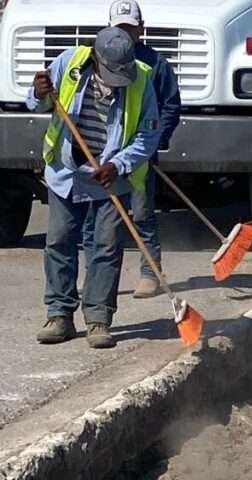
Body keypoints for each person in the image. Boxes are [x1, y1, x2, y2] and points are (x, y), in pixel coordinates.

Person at [29, 27, 160, 348]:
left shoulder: (141, 79)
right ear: (96, 59)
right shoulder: (69, 62)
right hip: (66, 171)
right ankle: (59, 314)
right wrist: (38, 92)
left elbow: (148, 135)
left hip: (111, 175)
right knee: (59, 241)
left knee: (106, 247)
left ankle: (98, 318)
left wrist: (119, 164)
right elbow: (38, 104)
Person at [83, 0, 181, 299]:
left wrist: (154, 144)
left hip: (138, 153)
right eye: (119, 28)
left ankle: (151, 272)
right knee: (93, 220)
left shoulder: (154, 64)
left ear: (141, 29)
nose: (125, 34)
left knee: (141, 214)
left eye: (130, 28)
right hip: (101, 155)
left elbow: (170, 106)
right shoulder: (95, 60)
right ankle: (94, 276)